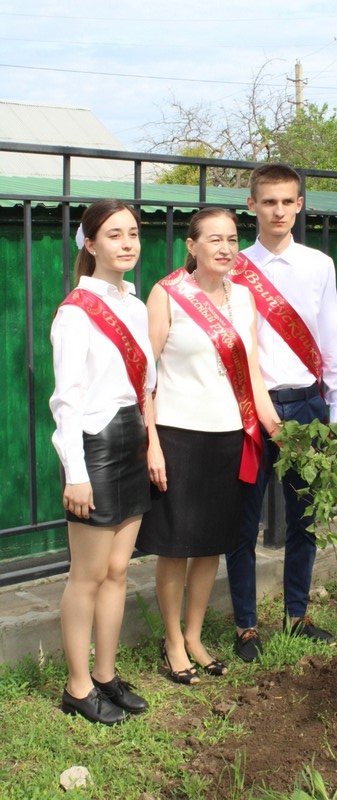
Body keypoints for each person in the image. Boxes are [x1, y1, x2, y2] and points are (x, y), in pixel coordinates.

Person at [135, 207, 282, 684]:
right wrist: (152, 443)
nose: (225, 248)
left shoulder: (244, 297)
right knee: (176, 546)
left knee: (210, 546)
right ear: (191, 246)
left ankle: (195, 636)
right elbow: (145, 377)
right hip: (178, 435)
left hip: (229, 436)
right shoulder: (168, 294)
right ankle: (173, 642)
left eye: (232, 239)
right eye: (214, 239)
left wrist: (275, 425)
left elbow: (253, 371)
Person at [226, 163, 337, 662]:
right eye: (268, 201)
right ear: (252, 205)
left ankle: (297, 616)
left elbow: (331, 338)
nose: (278, 211)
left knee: (305, 519)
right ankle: (245, 627)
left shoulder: (319, 265)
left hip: (306, 405)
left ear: (299, 205)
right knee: (242, 524)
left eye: (287, 201)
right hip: (248, 410)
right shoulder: (233, 267)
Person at [50, 199, 157, 724]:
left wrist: (151, 442)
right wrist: (76, 474)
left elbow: (147, 388)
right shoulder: (76, 312)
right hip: (94, 446)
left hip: (132, 438)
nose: (127, 243)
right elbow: (66, 402)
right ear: (90, 244)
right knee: (87, 575)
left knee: (117, 571)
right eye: (114, 235)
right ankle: (77, 687)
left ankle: (106, 675)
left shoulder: (135, 306)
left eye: (132, 232)